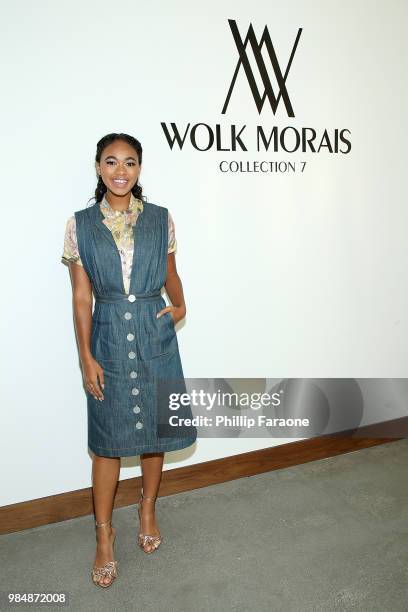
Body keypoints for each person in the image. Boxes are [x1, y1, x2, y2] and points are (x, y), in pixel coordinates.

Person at [61, 133, 197, 588]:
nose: (121, 170)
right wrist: (85, 356)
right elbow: (82, 297)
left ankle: (148, 508)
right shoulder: (79, 224)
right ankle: (104, 534)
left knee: (155, 434)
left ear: (140, 169)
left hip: (154, 333)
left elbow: (171, 275)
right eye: (112, 161)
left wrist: (179, 306)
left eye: (131, 162)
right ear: (98, 167)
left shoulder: (161, 219)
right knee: (108, 443)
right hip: (109, 337)